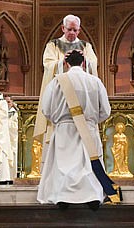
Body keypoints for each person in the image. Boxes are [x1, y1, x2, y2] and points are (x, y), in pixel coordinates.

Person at [37, 50, 115, 209]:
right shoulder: (95, 82)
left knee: (65, 166)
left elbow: (45, 109)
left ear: (66, 64)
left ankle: (63, 197)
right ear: (84, 63)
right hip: (89, 130)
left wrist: (59, 121)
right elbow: (106, 111)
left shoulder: (56, 82)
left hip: (64, 131)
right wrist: (91, 122)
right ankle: (92, 196)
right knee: (86, 165)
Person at [34, 15, 98, 145]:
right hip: (61, 94)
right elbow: (48, 65)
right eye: (69, 29)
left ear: (79, 30)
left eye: (75, 30)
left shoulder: (85, 46)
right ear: (63, 28)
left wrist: (84, 61)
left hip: (81, 95)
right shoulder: (53, 45)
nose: (72, 33)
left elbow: (93, 64)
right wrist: (62, 62)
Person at [0, 84, 13, 184]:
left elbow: (2, 117)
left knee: (1, 154)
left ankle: (2, 177)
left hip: (0, 133)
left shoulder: (3, 102)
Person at [6, 96, 19, 179]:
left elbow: (15, 126)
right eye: (6, 102)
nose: (7, 104)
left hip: (12, 138)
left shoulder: (15, 113)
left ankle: (12, 176)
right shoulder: (2, 112)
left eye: (9, 102)